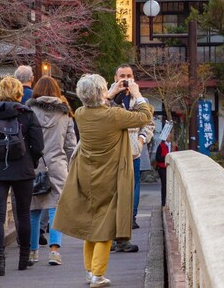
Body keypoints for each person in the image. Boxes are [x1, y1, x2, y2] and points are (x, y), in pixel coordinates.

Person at [54, 74, 154, 288]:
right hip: (109, 175)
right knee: (105, 226)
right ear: (101, 93)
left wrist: (109, 93)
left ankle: (90, 271)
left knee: (91, 225)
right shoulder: (114, 116)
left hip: (86, 174)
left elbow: (94, 103)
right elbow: (144, 117)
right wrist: (137, 94)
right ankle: (98, 275)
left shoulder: (80, 113)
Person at [0, 76, 44, 275]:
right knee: (23, 214)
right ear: (19, 93)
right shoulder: (28, 114)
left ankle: (0, 262)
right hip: (23, 170)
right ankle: (23, 259)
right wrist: (31, 161)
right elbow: (38, 146)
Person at [26, 76, 77, 266]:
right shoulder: (65, 115)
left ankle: (33, 252)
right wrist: (71, 168)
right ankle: (54, 251)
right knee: (57, 207)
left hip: (34, 165)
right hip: (58, 165)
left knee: (34, 210)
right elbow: (71, 146)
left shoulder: (29, 112)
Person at [109, 64, 155, 252]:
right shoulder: (108, 97)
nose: (126, 79)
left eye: (129, 75)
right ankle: (111, 237)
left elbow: (149, 122)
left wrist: (142, 140)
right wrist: (111, 94)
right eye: (122, 76)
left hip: (133, 152)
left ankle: (125, 233)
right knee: (111, 197)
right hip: (111, 154)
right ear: (115, 77)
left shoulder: (139, 100)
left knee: (130, 195)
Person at [152, 123, 172, 207]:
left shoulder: (173, 146)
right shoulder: (161, 146)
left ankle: (169, 202)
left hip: (171, 168)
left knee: (170, 185)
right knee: (164, 184)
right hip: (162, 167)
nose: (169, 137)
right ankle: (163, 202)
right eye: (167, 135)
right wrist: (167, 157)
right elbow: (158, 158)